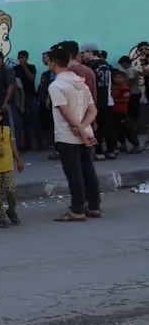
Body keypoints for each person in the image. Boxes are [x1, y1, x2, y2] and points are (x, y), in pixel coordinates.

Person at [48, 44, 102, 222]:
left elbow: (65, 112)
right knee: (88, 169)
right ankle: (94, 206)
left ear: (55, 63)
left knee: (74, 173)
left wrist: (77, 128)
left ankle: (77, 209)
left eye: (49, 61)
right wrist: (84, 127)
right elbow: (93, 110)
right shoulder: (80, 82)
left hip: (67, 135)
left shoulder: (57, 85)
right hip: (84, 132)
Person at [111, 69, 142, 153]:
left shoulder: (124, 88)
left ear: (124, 79)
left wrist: (114, 102)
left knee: (127, 129)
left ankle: (136, 145)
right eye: (116, 77)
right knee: (118, 130)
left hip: (122, 112)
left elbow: (126, 99)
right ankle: (122, 145)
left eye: (121, 77)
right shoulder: (113, 87)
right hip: (115, 112)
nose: (118, 79)